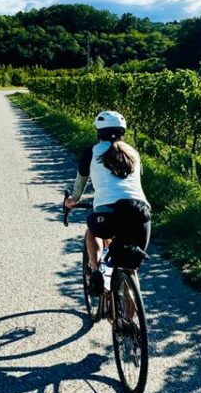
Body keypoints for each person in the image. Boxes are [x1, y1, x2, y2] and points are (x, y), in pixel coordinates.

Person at [64, 110, 152, 297]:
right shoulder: (133, 152)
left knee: (92, 232)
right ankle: (129, 323)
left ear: (98, 132)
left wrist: (73, 200)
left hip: (108, 212)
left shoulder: (92, 152)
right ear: (123, 132)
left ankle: (96, 273)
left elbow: (81, 182)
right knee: (129, 269)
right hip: (140, 213)